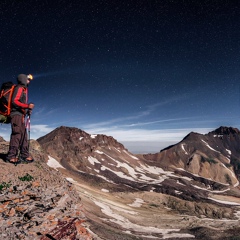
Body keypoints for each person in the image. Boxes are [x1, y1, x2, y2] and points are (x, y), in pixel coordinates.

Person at [6, 74, 35, 164]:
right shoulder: (19, 88)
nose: (29, 81)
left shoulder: (23, 90)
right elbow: (15, 101)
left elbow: (20, 105)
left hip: (21, 115)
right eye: (27, 79)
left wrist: (27, 111)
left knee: (23, 135)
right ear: (23, 79)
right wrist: (27, 106)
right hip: (16, 115)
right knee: (17, 134)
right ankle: (11, 156)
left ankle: (24, 155)